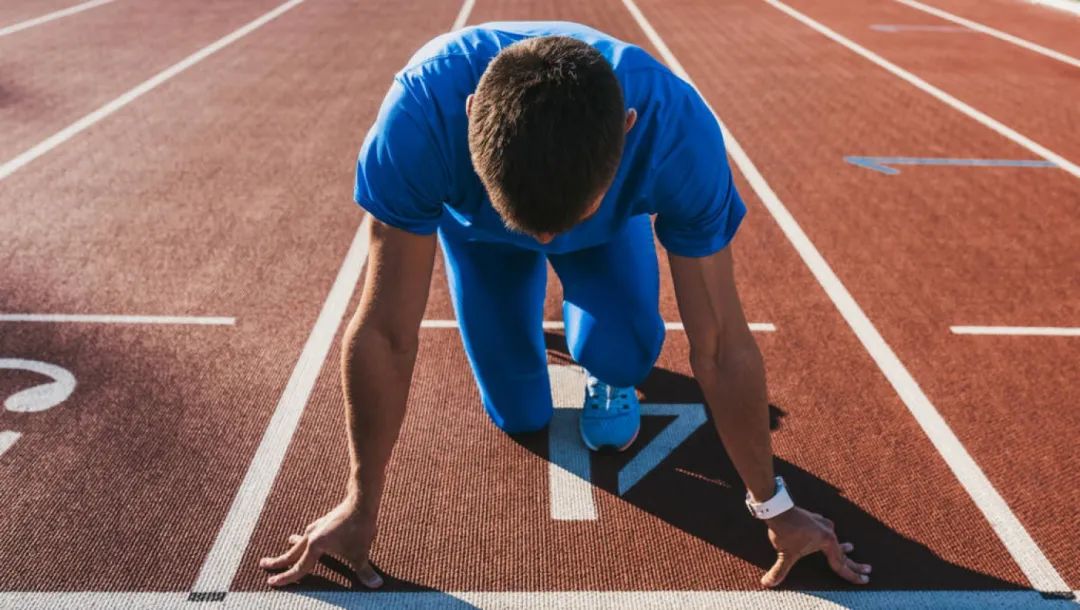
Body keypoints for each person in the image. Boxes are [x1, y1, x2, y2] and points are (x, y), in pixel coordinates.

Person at [259, 21, 871, 590]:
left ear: (627, 131)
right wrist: (360, 502)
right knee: (519, 414)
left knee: (622, 353)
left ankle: (604, 351)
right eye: (534, 224)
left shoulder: (677, 132)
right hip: (478, 234)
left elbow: (719, 344)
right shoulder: (419, 115)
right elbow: (387, 332)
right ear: (470, 117)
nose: (544, 240)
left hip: (605, 233)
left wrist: (774, 503)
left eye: (560, 223)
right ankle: (539, 267)